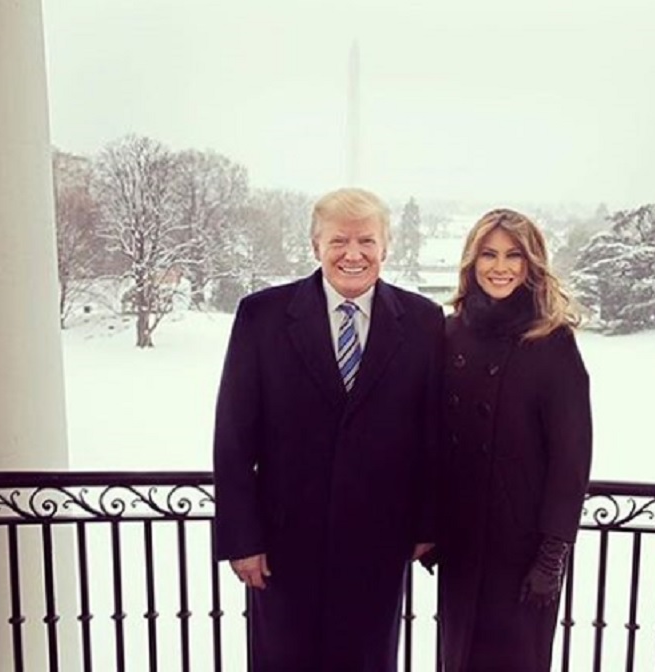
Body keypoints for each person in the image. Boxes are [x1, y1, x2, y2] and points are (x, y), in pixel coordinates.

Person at [212, 187, 444, 671]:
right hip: (281, 550)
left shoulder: (423, 321)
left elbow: (431, 434)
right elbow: (234, 436)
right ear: (315, 245)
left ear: (387, 246)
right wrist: (242, 539)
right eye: (339, 241)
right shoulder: (262, 316)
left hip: (378, 549)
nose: (353, 254)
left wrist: (426, 526)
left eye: (366, 241)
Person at [433, 208, 593, 672]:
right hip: (462, 543)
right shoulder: (449, 333)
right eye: (488, 254)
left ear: (531, 265)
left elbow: (571, 458)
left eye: (513, 256)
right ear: (471, 260)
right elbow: (433, 438)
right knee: (457, 660)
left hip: (522, 549)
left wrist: (551, 556)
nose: (499, 267)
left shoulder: (552, 341)